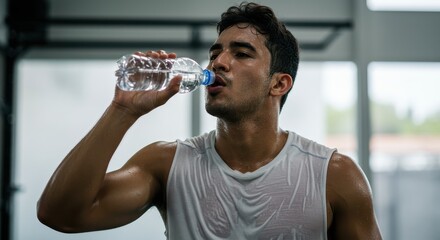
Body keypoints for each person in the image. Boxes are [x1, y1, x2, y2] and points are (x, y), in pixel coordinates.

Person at [37, 2, 382, 239]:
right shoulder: (166, 163)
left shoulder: (335, 176)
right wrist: (122, 111)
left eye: (241, 53)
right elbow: (60, 214)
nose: (218, 62)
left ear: (278, 83)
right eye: (216, 51)